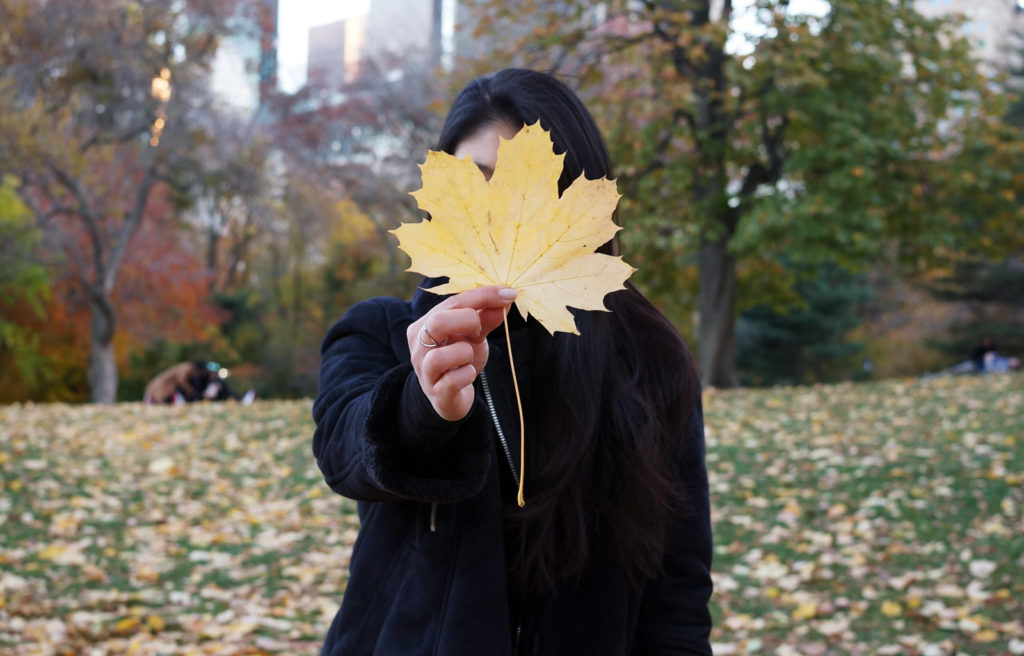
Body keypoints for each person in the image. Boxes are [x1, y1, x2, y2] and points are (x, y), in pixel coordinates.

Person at [312, 69, 712, 656]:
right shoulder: (382, 333)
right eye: (470, 185)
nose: (494, 214)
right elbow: (344, 451)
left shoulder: (646, 360)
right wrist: (423, 407)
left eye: (516, 190)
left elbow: (677, 592)